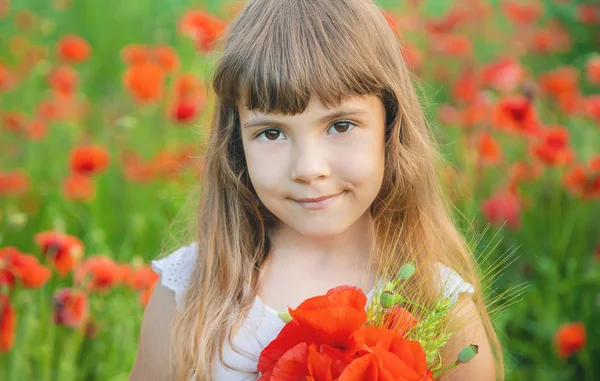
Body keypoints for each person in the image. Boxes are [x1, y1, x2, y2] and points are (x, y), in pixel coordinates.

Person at [129, 0, 503, 380]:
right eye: (271, 133)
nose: (309, 169)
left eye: (340, 126)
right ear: (236, 143)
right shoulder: (191, 290)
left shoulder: (435, 302)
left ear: (390, 127)